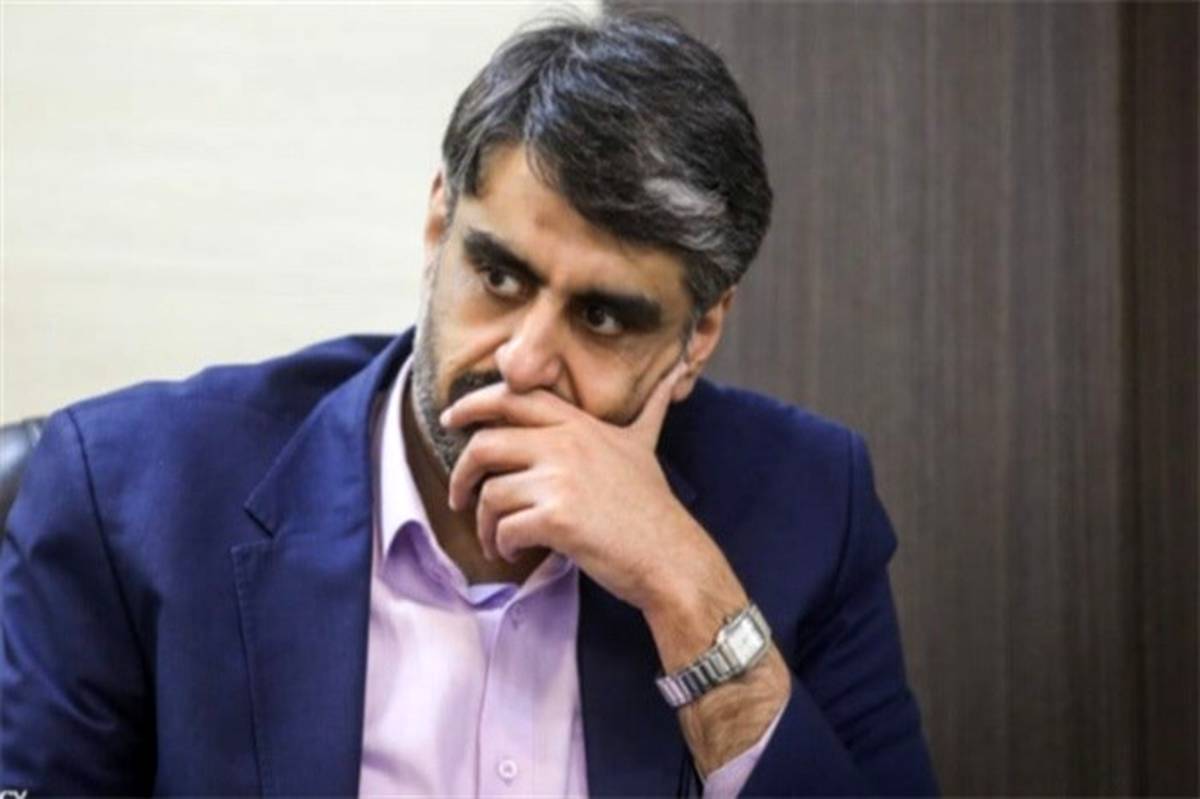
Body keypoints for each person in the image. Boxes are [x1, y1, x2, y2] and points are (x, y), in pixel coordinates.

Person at [1, 11, 938, 797]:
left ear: (697, 336)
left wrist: (685, 589)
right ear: (438, 225)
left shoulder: (807, 510)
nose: (524, 361)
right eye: (499, 275)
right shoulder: (129, 502)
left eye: (602, 317)